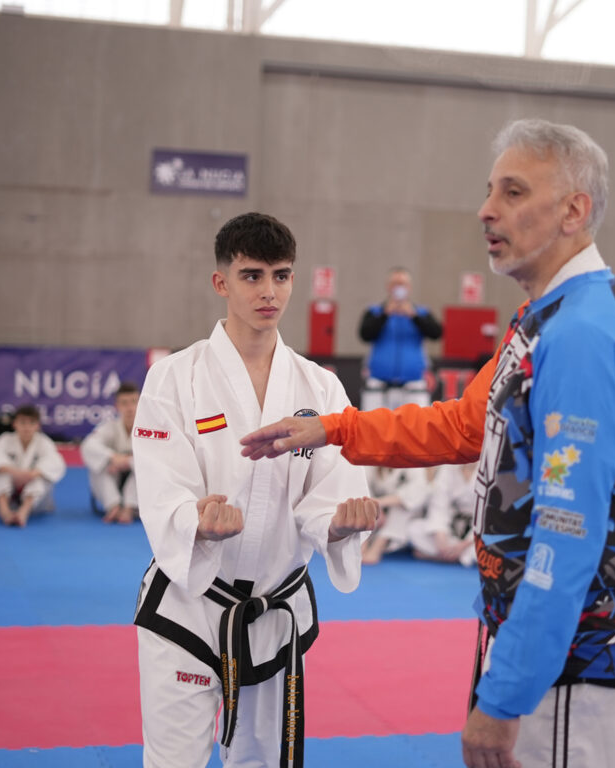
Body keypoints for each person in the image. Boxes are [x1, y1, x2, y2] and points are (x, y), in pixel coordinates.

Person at [242, 119, 615, 768]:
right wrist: (336, 428)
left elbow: (567, 531)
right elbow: (465, 425)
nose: (487, 210)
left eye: (514, 193)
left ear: (573, 211)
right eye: (490, 190)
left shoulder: (579, 334)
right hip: (537, 638)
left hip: (574, 656)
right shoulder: (545, 319)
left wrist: (507, 693)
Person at [130, 212, 378, 768]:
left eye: (281, 275)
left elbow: (330, 489)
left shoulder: (321, 386)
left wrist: (339, 523)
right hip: (190, 606)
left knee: (263, 763)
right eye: (252, 276)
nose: (270, 291)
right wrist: (195, 519)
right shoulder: (174, 377)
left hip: (274, 611)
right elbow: (162, 482)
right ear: (221, 282)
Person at [358, 267, 443, 410]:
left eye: (402, 284)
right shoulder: (375, 311)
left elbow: (436, 333)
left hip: (413, 386)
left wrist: (414, 316)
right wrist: (385, 314)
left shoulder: (422, 312)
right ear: (388, 287)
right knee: (372, 422)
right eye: (395, 283)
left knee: (417, 423)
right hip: (379, 386)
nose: (398, 288)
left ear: (409, 287)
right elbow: (365, 335)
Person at [0, 404, 67, 526]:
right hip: (11, 492)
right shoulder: (5, 439)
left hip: (36, 502)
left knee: (39, 478)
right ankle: (5, 512)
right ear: (14, 424)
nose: (27, 427)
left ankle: (23, 512)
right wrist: (16, 473)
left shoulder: (44, 442)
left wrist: (32, 474)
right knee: (1, 475)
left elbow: (55, 463)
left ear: (38, 425)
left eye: (31, 423)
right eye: (22, 422)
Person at [81, 382, 140, 524]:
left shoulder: (150, 429)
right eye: (124, 403)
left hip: (137, 486)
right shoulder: (110, 427)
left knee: (144, 467)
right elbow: (88, 446)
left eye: (133, 402)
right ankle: (113, 506)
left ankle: (129, 507)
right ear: (116, 406)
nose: (130, 408)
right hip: (114, 479)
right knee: (99, 466)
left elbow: (157, 458)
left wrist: (127, 462)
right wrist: (112, 457)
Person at [407, 462, 478, 567]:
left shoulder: (491, 469)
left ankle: (440, 557)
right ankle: (451, 555)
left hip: (476, 533)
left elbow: (490, 517)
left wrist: (465, 544)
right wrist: (440, 537)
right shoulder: (449, 467)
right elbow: (439, 505)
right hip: (452, 526)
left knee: (485, 548)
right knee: (414, 528)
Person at [361, 465, 431, 564]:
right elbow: (362, 487)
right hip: (379, 511)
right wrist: (374, 507)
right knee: (364, 505)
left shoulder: (414, 465)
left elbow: (416, 494)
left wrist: (379, 503)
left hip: (406, 514)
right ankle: (362, 544)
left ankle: (377, 547)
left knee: (401, 508)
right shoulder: (370, 463)